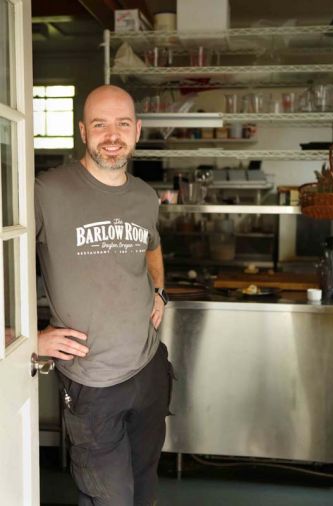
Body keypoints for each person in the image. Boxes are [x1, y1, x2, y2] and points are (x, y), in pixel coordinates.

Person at [36, 85, 172, 506]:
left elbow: (152, 246)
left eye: (122, 124)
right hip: (91, 383)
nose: (112, 135)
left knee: (144, 487)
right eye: (100, 124)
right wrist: (27, 336)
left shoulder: (143, 195)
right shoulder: (46, 191)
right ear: (83, 131)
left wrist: (160, 291)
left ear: (137, 131)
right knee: (109, 499)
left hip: (148, 368)